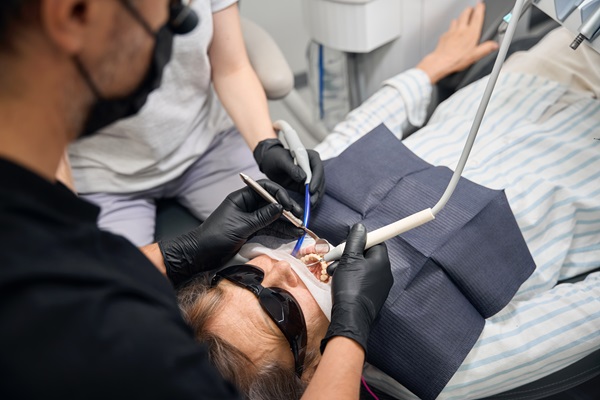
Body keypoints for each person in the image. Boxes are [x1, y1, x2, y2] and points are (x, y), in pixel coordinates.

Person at [176, 5, 600, 400]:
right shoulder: (444, 361)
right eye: (277, 307)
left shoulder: (288, 220)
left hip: (529, 83)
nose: (279, 267)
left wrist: (430, 68)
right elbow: (583, 314)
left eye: (246, 278)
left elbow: (358, 132)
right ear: (312, 367)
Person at [0, 1, 392, 399]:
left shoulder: (48, 247)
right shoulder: (137, 351)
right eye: (170, 11)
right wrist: (350, 330)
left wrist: (177, 254)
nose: (185, 23)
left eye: (246, 275)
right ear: (75, 12)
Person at [67, 0, 325, 247]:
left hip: (208, 144)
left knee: (306, 230)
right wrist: (181, 253)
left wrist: (266, 146)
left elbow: (231, 68)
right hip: (102, 177)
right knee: (117, 287)